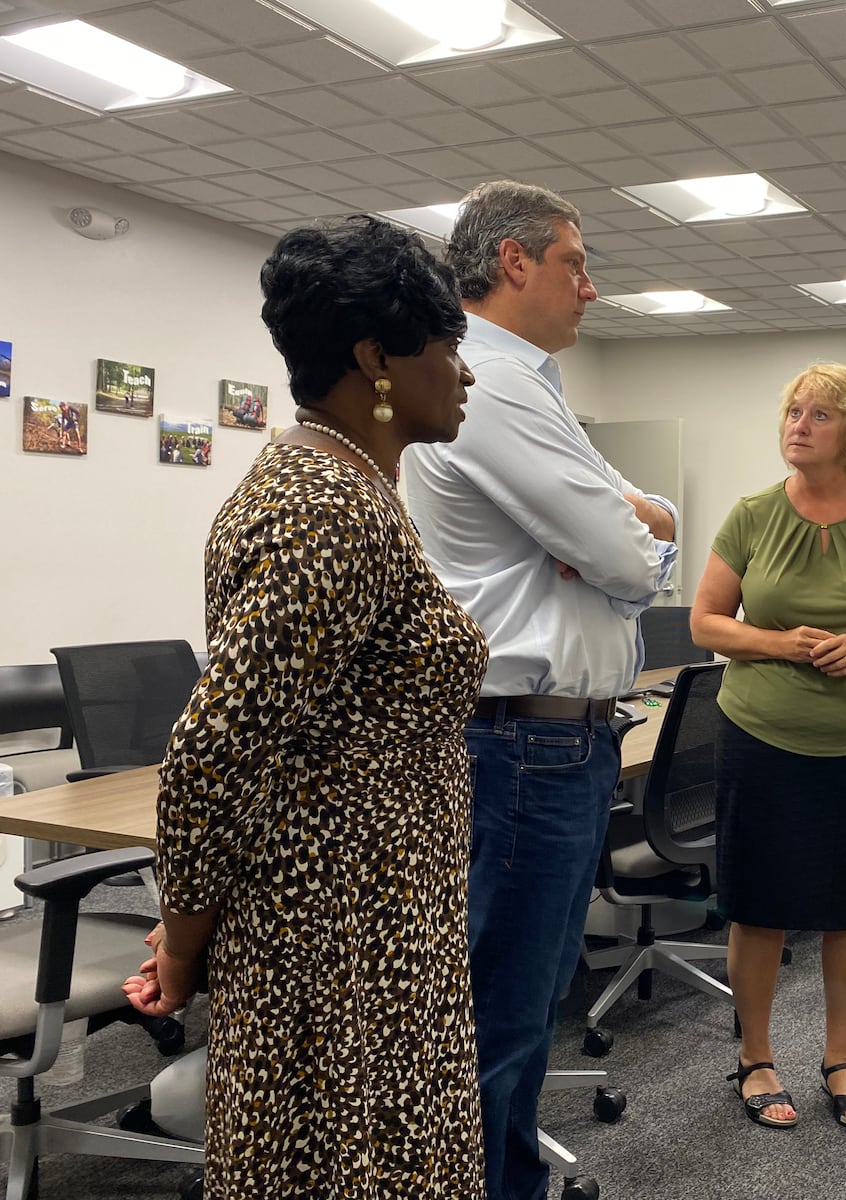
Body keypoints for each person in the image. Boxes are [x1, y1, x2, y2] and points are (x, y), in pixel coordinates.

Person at [122, 215, 487, 1200]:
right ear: (375, 358)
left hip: (376, 920)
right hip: (329, 938)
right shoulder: (322, 506)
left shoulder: (351, 486)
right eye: (447, 345)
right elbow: (212, 752)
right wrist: (184, 943)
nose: (465, 372)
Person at [406, 180, 679, 1200]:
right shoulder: (491, 379)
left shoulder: (534, 383)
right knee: (500, 1019)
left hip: (554, 744)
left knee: (522, 1012)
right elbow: (628, 545)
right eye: (575, 261)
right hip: (522, 745)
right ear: (512, 261)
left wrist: (632, 532)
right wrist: (632, 533)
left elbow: (641, 529)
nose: (591, 286)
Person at [689, 363, 846, 1131]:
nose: (798, 424)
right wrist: (780, 644)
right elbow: (706, 622)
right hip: (763, 737)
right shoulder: (753, 515)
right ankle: (755, 1059)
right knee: (760, 905)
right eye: (793, 411)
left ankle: (839, 1056)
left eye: (819, 414)